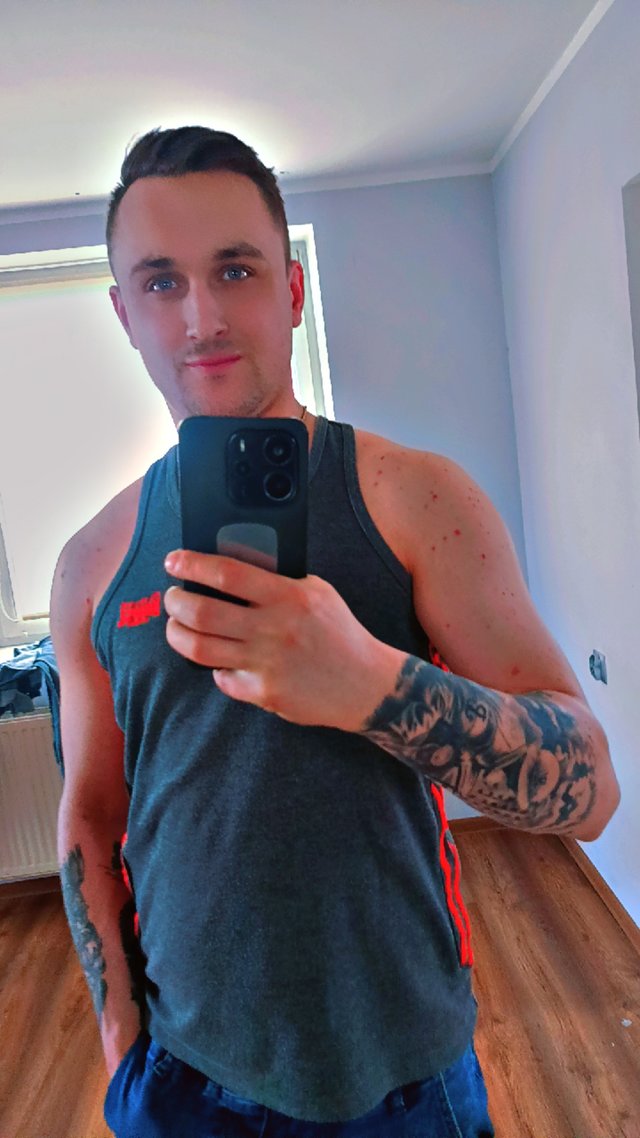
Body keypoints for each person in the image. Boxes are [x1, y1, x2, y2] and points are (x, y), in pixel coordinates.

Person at [50, 126, 620, 1138]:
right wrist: (120, 1042)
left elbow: (589, 788)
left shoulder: (416, 499)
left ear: (294, 289)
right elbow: (91, 818)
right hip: (183, 1082)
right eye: (161, 282)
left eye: (236, 269)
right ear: (124, 314)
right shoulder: (91, 562)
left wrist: (373, 686)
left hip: (401, 1081)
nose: (202, 316)